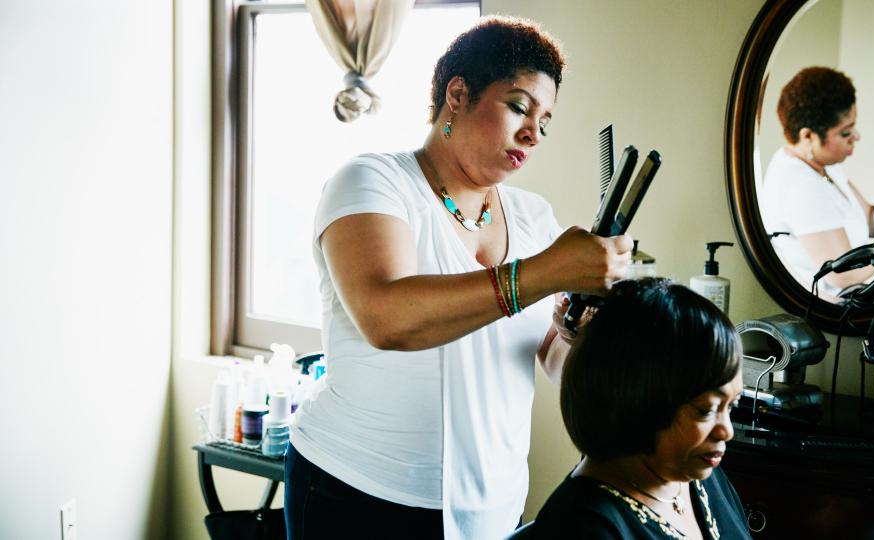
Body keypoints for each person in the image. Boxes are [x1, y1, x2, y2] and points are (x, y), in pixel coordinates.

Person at [284, 16, 634, 540]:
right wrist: (543, 273)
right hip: (356, 493)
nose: (533, 133)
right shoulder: (372, 182)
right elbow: (387, 318)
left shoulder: (534, 218)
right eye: (519, 106)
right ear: (458, 93)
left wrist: (572, 330)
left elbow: (556, 364)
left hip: (491, 508)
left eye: (545, 121)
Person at [531, 278, 750, 539]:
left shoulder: (694, 473)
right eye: (706, 410)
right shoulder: (583, 529)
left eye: (731, 405)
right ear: (639, 400)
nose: (726, 431)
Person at [760, 66, 874, 299]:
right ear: (807, 136)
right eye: (845, 133)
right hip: (832, 316)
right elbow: (843, 274)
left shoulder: (823, 163)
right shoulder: (800, 185)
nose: (856, 137)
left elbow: (870, 218)